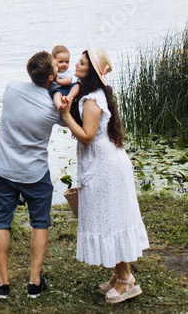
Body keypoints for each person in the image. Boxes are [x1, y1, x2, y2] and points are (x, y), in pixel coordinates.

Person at [59, 46, 149, 304]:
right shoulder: (94, 94)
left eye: (82, 63)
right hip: (104, 163)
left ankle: (126, 280)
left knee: (111, 220)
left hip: (104, 166)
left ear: (92, 72)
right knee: (111, 217)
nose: (76, 65)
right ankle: (119, 275)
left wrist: (66, 116)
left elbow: (87, 136)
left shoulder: (92, 99)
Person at [0, 50, 65, 299]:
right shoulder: (54, 108)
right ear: (51, 76)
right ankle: (34, 283)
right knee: (40, 223)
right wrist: (60, 88)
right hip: (35, 173)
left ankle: (2, 284)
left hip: (4, 169)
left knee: (1, 223)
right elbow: (68, 119)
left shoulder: (11, 88)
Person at [50, 45, 75, 110]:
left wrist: (58, 80)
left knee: (77, 85)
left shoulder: (67, 72)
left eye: (67, 62)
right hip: (57, 89)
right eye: (60, 62)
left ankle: (69, 97)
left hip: (67, 88)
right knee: (57, 95)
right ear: (53, 61)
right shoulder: (52, 71)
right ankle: (60, 106)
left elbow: (69, 80)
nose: (64, 64)